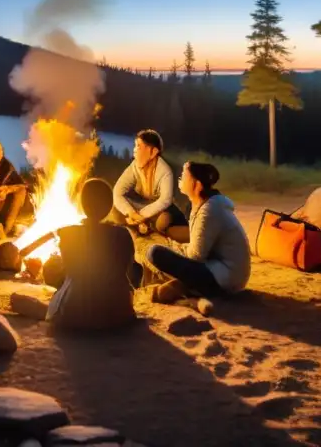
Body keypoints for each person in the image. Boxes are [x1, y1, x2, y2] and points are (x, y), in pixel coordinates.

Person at [144, 162, 251, 304]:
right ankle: (184, 288)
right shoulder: (202, 205)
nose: (180, 178)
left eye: (185, 176)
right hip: (221, 271)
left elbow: (196, 255)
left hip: (225, 279)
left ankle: (188, 289)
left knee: (154, 252)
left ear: (197, 185)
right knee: (167, 249)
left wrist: (175, 248)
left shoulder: (209, 210)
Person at [46, 178, 143, 332]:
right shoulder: (122, 234)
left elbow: (68, 271)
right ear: (110, 206)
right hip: (116, 314)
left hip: (73, 314)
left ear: (82, 204)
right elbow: (129, 273)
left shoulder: (68, 233)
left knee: (56, 272)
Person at [110, 129, 189, 242]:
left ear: (153, 152)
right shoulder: (135, 166)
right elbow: (118, 191)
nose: (134, 150)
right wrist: (131, 213)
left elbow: (165, 200)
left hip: (159, 210)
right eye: (135, 146)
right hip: (140, 207)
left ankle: (148, 229)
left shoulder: (164, 171)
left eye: (139, 146)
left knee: (163, 222)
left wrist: (141, 216)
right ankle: (142, 227)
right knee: (116, 210)